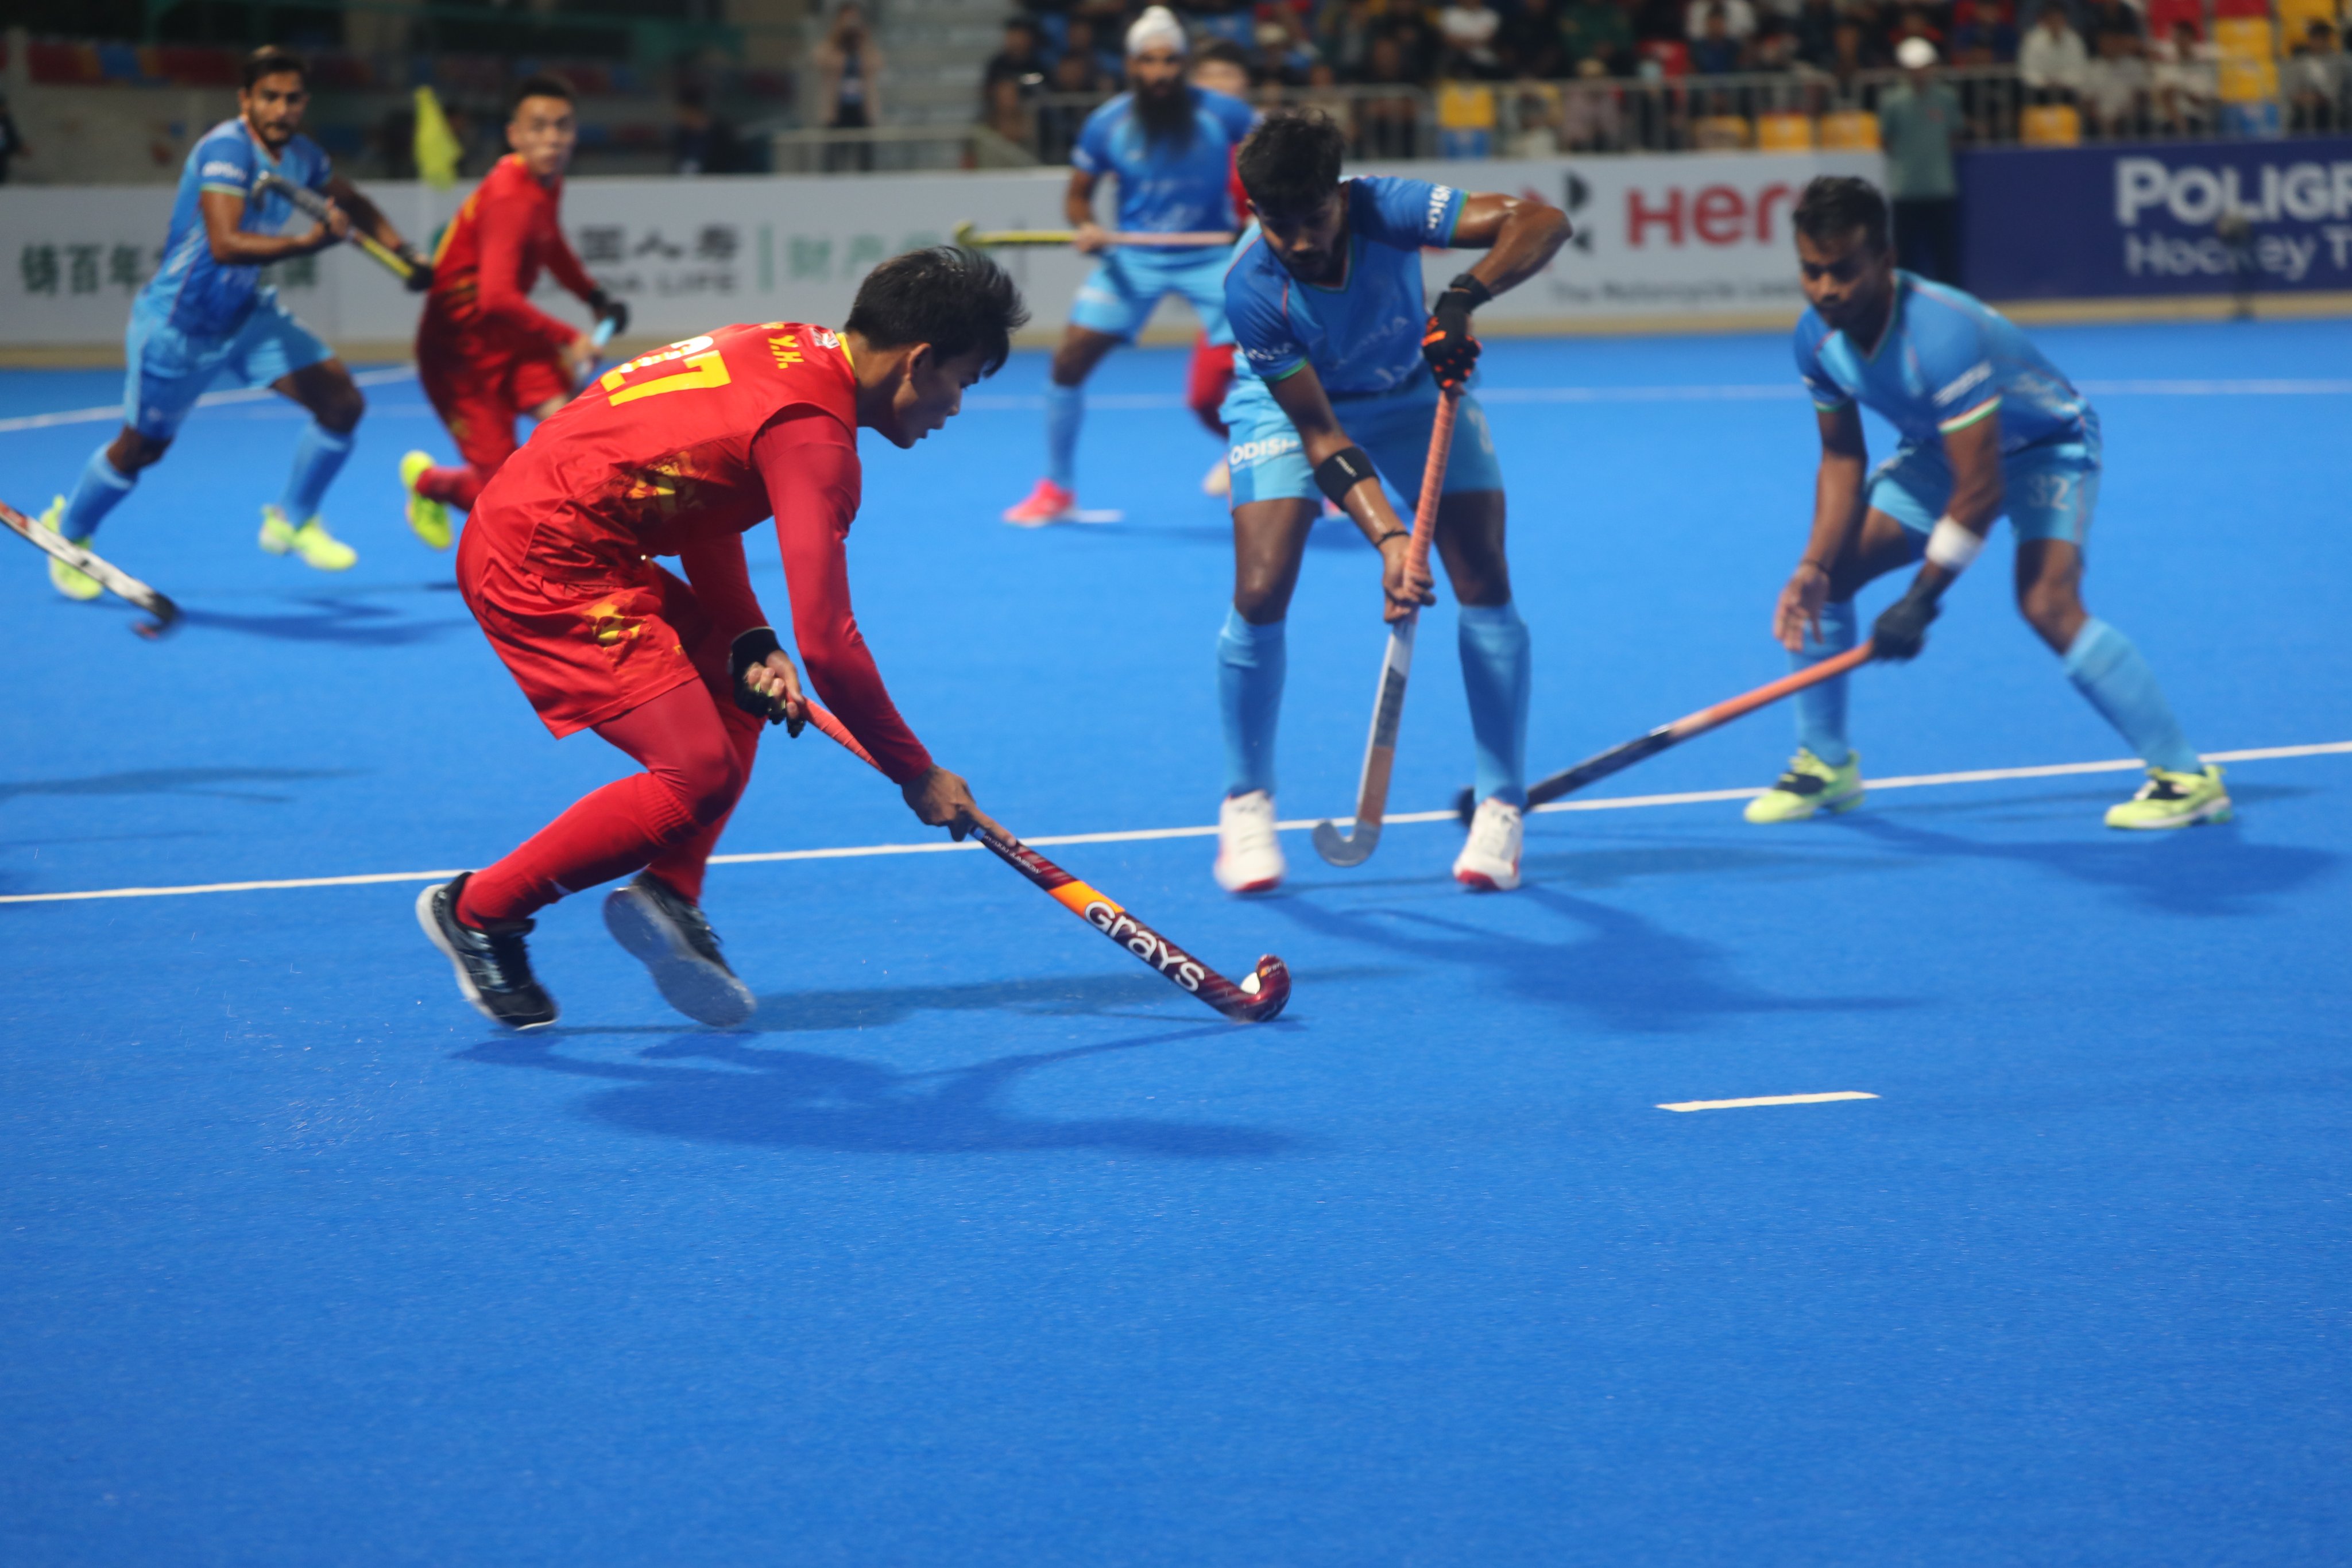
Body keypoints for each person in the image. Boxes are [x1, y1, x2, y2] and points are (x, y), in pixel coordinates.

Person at [419, 247, 1028, 1029]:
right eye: (962, 381)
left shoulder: (785, 346)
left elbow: (701, 493)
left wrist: (745, 633)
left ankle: (670, 887)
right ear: (918, 360)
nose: (954, 408)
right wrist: (917, 772)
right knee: (696, 771)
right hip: (544, 558)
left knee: (736, 693)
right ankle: (478, 910)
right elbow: (832, 646)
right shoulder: (816, 440)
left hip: (574, 530)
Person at [1751, 177, 2227, 834]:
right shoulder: (1816, 338)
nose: (1826, 288)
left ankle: (2186, 777)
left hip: (2045, 445)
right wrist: (1813, 563)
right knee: (1829, 582)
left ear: (1884, 260)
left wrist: (1920, 599)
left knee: (2046, 603)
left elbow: (1980, 491)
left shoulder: (1940, 332)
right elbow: (1841, 457)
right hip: (1939, 450)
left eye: (1843, 271)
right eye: (1812, 270)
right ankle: (1827, 765)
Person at [1213, 108, 1570, 894]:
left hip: (1412, 394)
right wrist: (1390, 540)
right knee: (1262, 588)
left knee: (1484, 579)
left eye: (1315, 217)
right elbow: (1319, 435)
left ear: (1341, 194)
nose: (1302, 241)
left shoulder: (1386, 206)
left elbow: (1542, 220)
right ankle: (1246, 800)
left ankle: (1501, 804)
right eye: (1279, 224)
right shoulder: (1251, 287)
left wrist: (1464, 295)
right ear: (1254, 212)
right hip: (1296, 411)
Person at [37, 47, 426, 599]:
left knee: (342, 403)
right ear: (246, 100)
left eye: (292, 98)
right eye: (269, 96)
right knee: (142, 449)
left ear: (304, 104)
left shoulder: (304, 158)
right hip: (178, 325)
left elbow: (354, 202)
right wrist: (307, 243)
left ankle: (290, 519)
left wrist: (403, 251)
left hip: (246, 317)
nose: (281, 109)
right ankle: (68, 531)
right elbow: (224, 244)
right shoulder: (227, 149)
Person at [1001, 8, 1256, 525]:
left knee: (1268, 366)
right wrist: (1088, 228)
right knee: (1068, 361)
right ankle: (1058, 489)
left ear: (1184, 64)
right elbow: (1078, 199)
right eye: (1148, 61)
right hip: (1133, 260)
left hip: (1211, 257)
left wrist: (1258, 219)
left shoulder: (1225, 115)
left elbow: (1268, 170)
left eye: (1169, 61)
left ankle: (1292, 472)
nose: (1160, 72)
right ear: (1131, 65)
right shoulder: (1107, 123)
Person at [400, 76, 624, 547]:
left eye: (562, 126)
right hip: (459, 357)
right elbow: (496, 296)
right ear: (515, 136)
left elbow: (549, 242)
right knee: (501, 493)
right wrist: (569, 337)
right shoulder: (508, 195)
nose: (552, 138)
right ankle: (429, 484)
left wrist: (593, 295)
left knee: (568, 433)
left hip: (507, 338)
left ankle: (583, 540)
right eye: (539, 127)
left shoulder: (545, 181)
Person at [1878, 38, 1963, 284]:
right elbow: (1886, 140)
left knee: (1946, 255)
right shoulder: (1892, 101)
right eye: (1913, 67)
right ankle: (1903, 304)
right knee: (1905, 256)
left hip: (1940, 187)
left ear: (1933, 67)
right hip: (1905, 190)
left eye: (1924, 66)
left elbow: (1954, 134)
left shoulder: (1947, 98)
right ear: (1904, 69)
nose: (1919, 72)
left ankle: (1951, 303)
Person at [817, 4, 885, 171]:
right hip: (838, 109)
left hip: (861, 109)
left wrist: (862, 40)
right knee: (833, 159)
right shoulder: (832, 45)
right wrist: (839, 36)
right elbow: (822, 60)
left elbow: (876, 63)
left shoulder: (864, 45)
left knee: (865, 159)